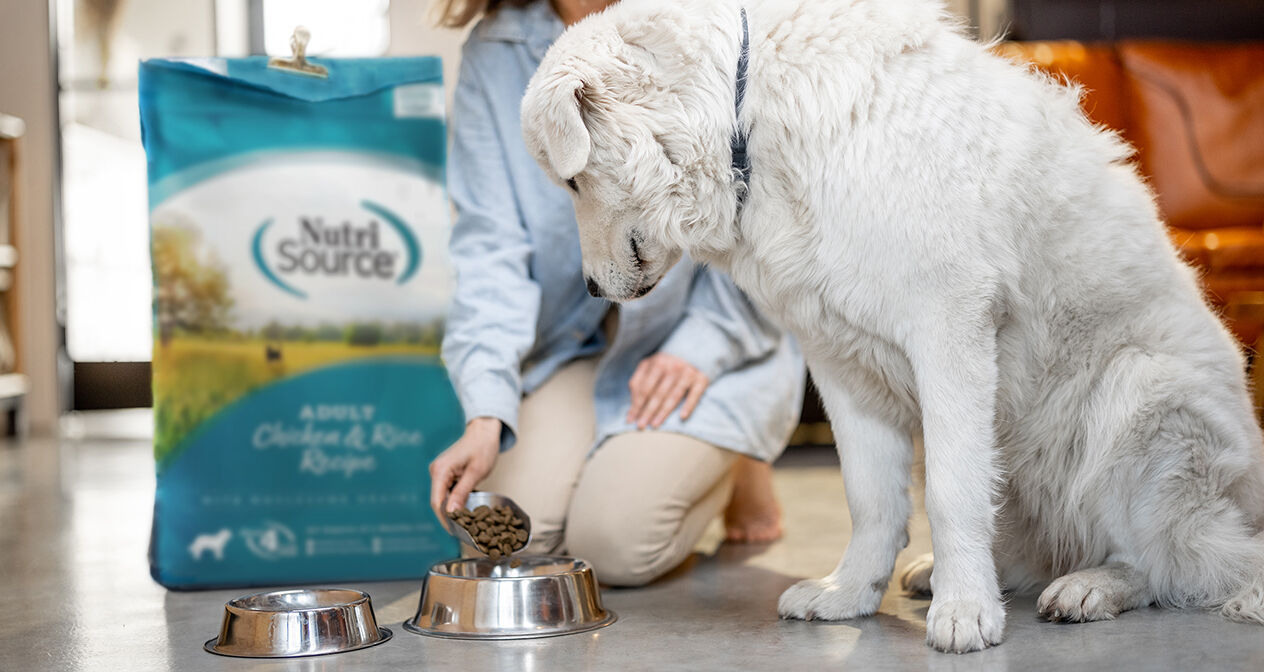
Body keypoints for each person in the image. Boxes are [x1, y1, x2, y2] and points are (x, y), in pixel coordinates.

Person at [428, 0, 805, 586]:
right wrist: (484, 411)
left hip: (694, 328)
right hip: (573, 343)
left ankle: (740, 462)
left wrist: (702, 348)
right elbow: (489, 250)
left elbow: (763, 218)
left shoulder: (702, 19)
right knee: (515, 544)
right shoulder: (495, 50)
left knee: (617, 546)